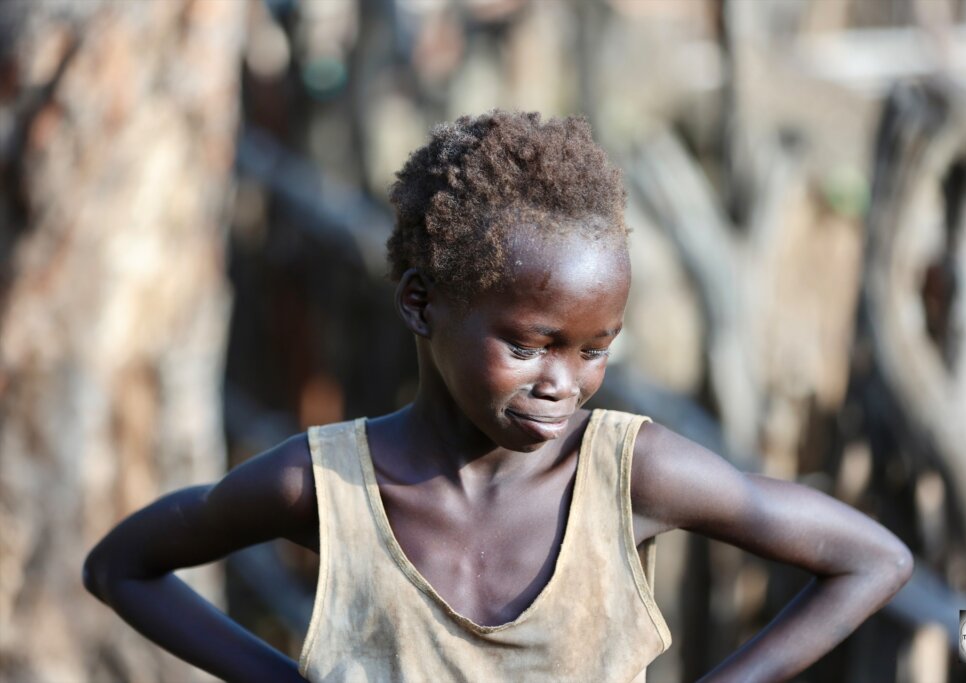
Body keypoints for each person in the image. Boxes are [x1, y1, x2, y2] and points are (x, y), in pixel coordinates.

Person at [83, 110, 913, 683]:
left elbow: (873, 558)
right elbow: (121, 565)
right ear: (420, 302)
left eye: (596, 350)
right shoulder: (328, 488)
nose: (563, 382)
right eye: (527, 344)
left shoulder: (626, 477)